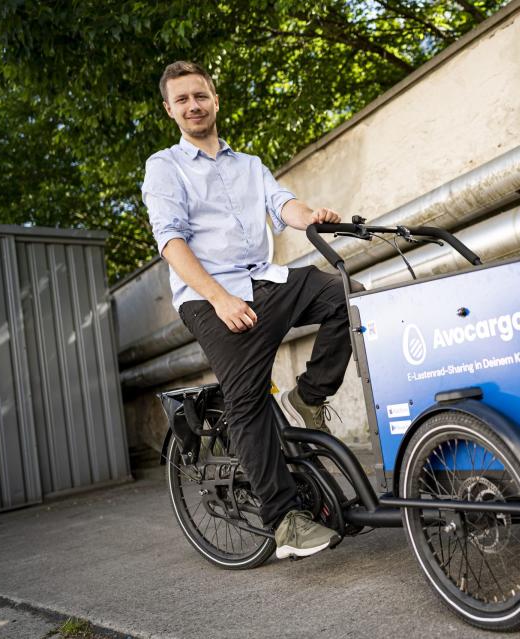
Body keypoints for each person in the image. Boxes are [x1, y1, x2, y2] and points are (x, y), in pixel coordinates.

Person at [142, 60, 351, 559]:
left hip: (267, 280)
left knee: (349, 295)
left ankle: (309, 395)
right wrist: (219, 297)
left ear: (215, 99)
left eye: (201, 95)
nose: (194, 105)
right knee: (247, 400)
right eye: (183, 99)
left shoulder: (249, 164)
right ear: (170, 110)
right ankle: (286, 522)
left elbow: (283, 205)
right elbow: (170, 242)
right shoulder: (164, 168)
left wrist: (310, 216)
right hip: (210, 295)